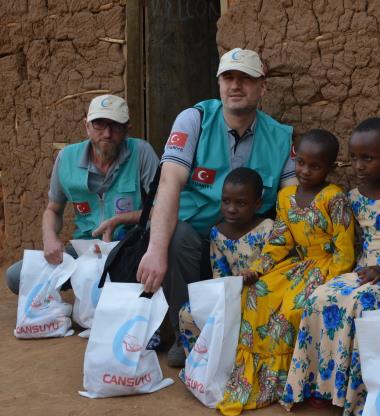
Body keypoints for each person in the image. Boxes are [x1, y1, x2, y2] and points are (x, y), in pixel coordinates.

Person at [135, 48, 296, 367]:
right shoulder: (194, 119)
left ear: (262, 87)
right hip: (193, 243)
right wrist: (155, 249)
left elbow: (291, 202)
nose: (236, 86)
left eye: (246, 79)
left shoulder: (279, 136)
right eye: (229, 78)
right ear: (220, 83)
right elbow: (169, 182)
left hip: (244, 249)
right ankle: (187, 333)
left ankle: (251, 333)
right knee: (175, 236)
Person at [282, 117, 380, 416]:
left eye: (368, 158)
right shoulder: (352, 199)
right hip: (364, 272)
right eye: (354, 158)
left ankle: (357, 397)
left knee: (359, 304)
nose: (359, 166)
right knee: (319, 297)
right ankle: (320, 386)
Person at [218, 129, 356, 416]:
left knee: (292, 308)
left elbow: (344, 251)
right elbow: (280, 242)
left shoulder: (334, 198)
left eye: (315, 166)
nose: (305, 171)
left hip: (326, 269)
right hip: (297, 266)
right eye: (301, 162)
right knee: (258, 294)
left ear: (330, 167)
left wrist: (328, 280)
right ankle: (258, 378)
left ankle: (296, 383)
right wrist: (257, 269)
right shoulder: (285, 196)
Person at [4, 94, 159, 294]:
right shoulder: (67, 158)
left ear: (127, 129)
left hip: (130, 248)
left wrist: (120, 219)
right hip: (86, 251)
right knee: (17, 276)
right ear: (86, 125)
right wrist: (50, 237)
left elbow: (163, 208)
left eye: (116, 126)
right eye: (99, 125)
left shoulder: (141, 153)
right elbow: (53, 209)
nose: (107, 133)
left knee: (126, 282)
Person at [177, 167, 274, 354]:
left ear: (257, 204)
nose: (231, 208)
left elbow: (275, 267)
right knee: (188, 312)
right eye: (226, 201)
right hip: (230, 294)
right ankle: (200, 366)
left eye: (241, 203)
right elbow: (219, 274)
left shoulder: (269, 229)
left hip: (262, 295)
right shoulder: (218, 233)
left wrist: (254, 275)